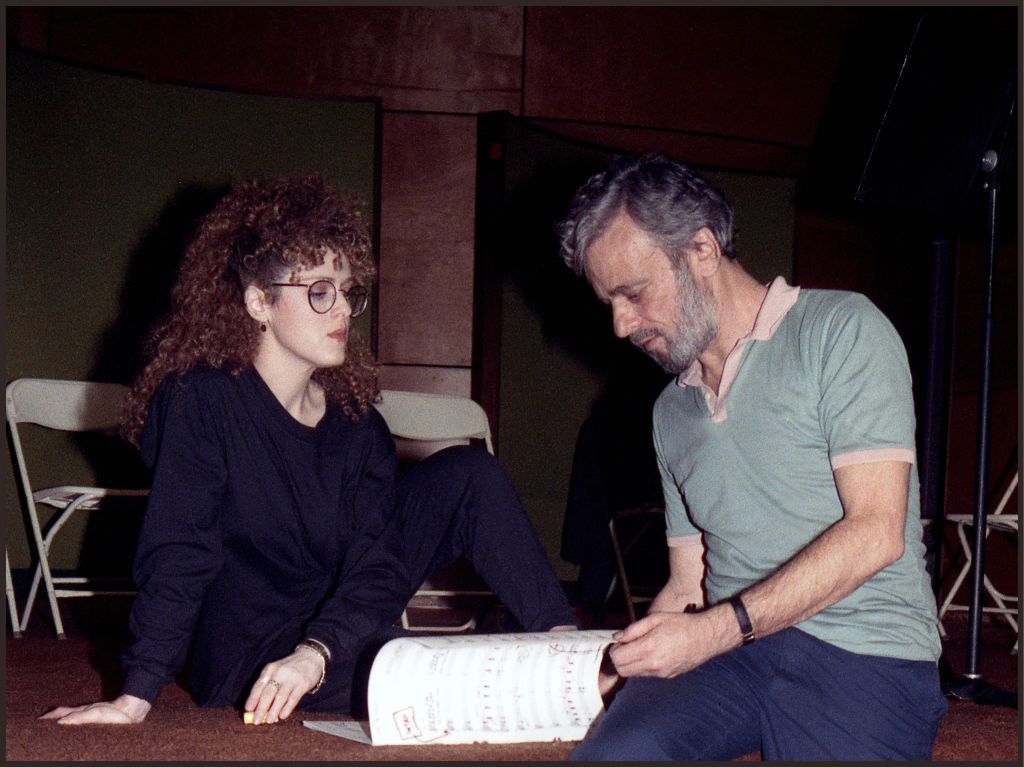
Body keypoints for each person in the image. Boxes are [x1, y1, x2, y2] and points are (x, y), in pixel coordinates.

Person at [42, 174, 576, 727]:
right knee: (426, 679)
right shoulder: (201, 400)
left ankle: (569, 653)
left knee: (468, 471)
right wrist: (135, 695)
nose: (343, 310)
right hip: (248, 652)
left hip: (328, 637)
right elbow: (179, 549)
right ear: (258, 303)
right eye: (320, 290)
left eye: (348, 291)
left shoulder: (357, 426)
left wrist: (317, 652)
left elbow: (377, 566)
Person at [557, 153, 947, 760]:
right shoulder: (669, 412)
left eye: (633, 294)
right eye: (609, 302)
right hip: (729, 655)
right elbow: (689, 582)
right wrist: (619, 668)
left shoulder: (842, 331)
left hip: (864, 650)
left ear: (703, 252)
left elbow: (877, 533)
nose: (620, 324)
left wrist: (716, 629)